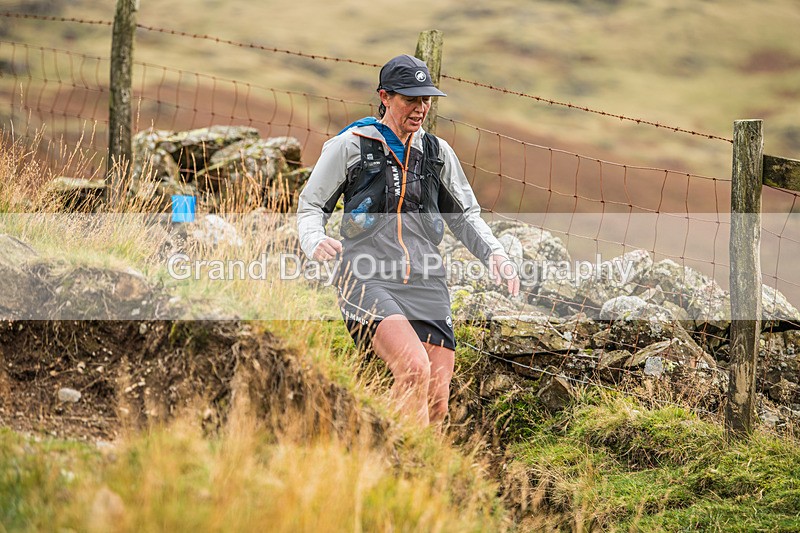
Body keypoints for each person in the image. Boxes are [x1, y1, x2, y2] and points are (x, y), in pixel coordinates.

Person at [297, 54, 519, 427]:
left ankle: (418, 481)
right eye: (410, 100)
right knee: (413, 369)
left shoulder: (436, 153)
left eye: (426, 100)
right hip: (365, 277)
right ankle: (398, 467)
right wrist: (314, 239)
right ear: (385, 96)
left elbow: (464, 216)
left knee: (436, 401)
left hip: (427, 281)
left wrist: (495, 253)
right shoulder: (350, 146)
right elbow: (310, 206)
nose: (420, 109)